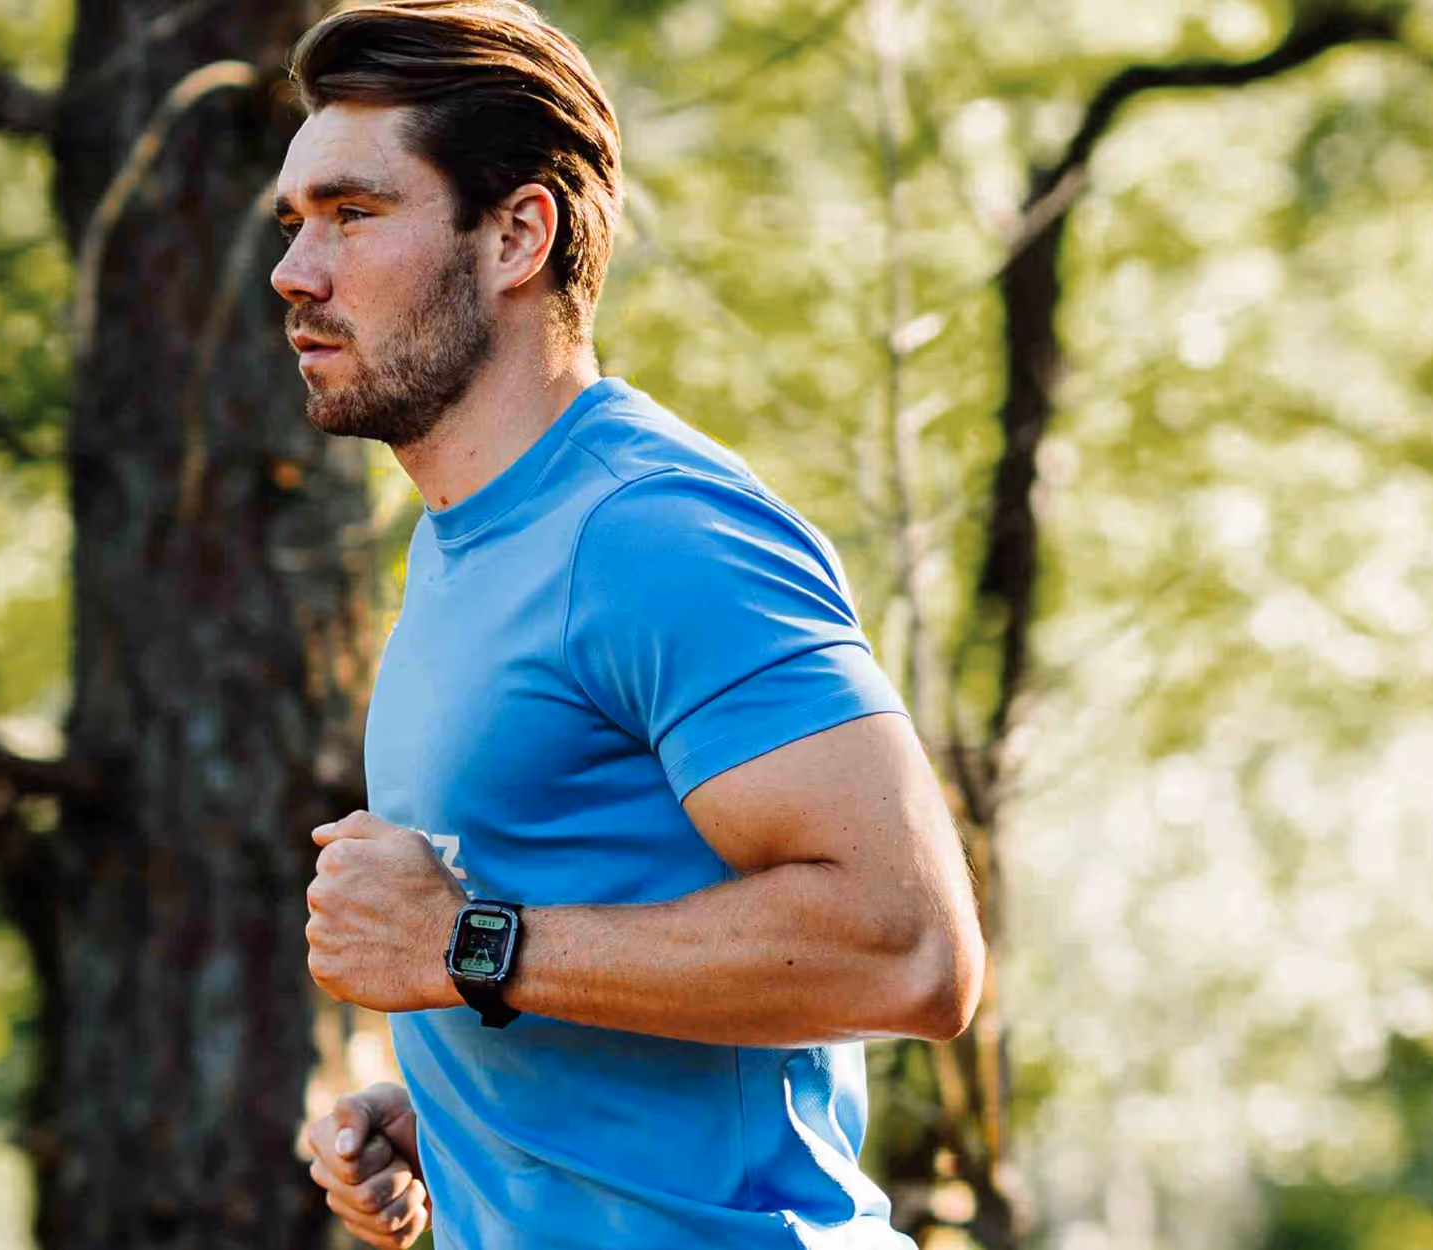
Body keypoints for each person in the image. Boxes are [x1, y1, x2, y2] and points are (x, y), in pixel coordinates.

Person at [274, 2, 988, 1246]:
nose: (295, 270)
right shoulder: (462, 549)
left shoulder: (654, 529)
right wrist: (457, 1113)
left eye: (354, 212)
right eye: (295, 224)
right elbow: (575, 933)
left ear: (515, 235)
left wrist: (465, 948)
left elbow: (912, 949)